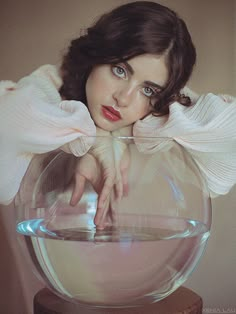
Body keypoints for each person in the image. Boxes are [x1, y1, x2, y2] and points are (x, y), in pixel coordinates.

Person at [0, 1, 235, 313]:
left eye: (148, 90)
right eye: (120, 70)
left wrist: (153, 122)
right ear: (96, 56)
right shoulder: (49, 88)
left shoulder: (154, 122)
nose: (123, 98)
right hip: (27, 274)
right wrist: (91, 138)